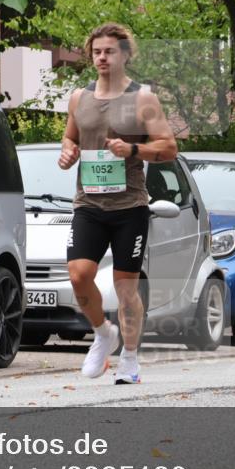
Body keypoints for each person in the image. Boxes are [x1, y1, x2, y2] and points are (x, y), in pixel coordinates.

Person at [58, 23, 178, 384]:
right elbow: (69, 137)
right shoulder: (80, 97)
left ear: (125, 54)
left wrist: (134, 149)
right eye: (96, 52)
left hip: (129, 207)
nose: (101, 58)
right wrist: (68, 153)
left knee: (126, 288)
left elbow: (169, 148)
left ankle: (130, 357)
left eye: (109, 51)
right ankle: (102, 333)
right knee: (79, 275)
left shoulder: (144, 99)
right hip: (89, 204)